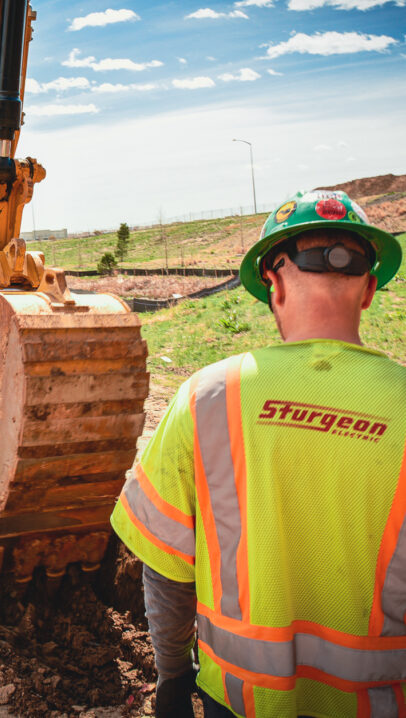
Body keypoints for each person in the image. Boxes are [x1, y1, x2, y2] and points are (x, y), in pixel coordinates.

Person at [110, 190, 406, 717]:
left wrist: (173, 676)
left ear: (271, 282)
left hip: (241, 699)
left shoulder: (205, 398)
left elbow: (168, 575)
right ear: (368, 291)